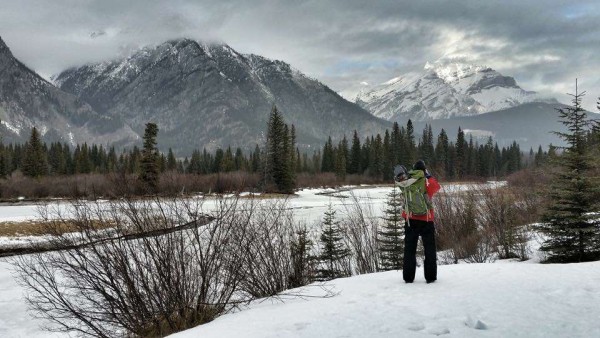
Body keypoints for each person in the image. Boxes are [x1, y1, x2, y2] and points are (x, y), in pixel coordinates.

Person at [402, 160, 441, 284]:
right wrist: (428, 175)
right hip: (426, 220)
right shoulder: (427, 181)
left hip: (410, 220)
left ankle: (408, 278)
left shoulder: (407, 182)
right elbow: (437, 187)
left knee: (409, 250)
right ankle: (430, 277)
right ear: (424, 170)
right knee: (429, 249)